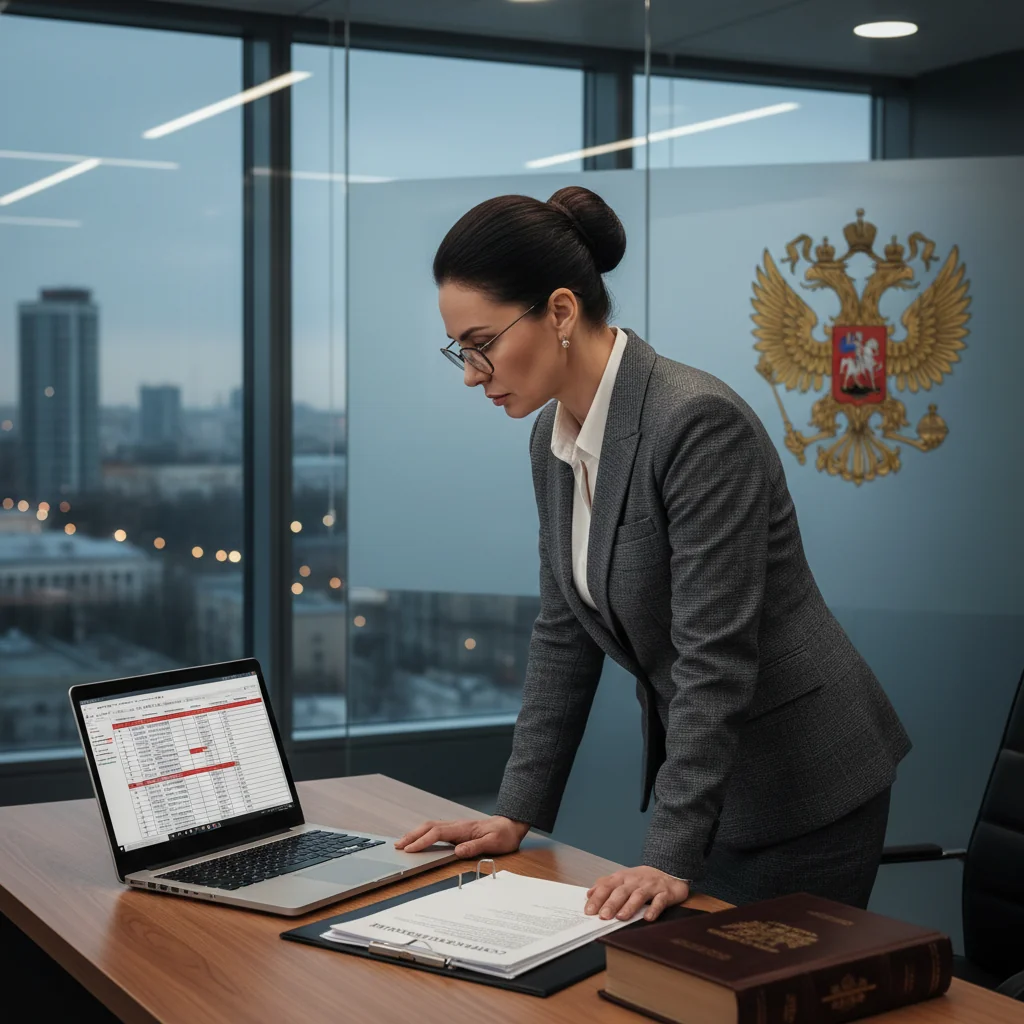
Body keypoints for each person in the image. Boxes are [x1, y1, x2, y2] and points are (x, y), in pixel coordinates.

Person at [396, 185, 911, 923]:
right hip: (716, 784)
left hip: (803, 783)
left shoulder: (695, 424)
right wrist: (515, 812)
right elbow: (563, 635)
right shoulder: (552, 441)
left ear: (562, 312)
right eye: (460, 352)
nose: (473, 373)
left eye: (482, 344)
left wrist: (667, 852)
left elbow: (715, 654)